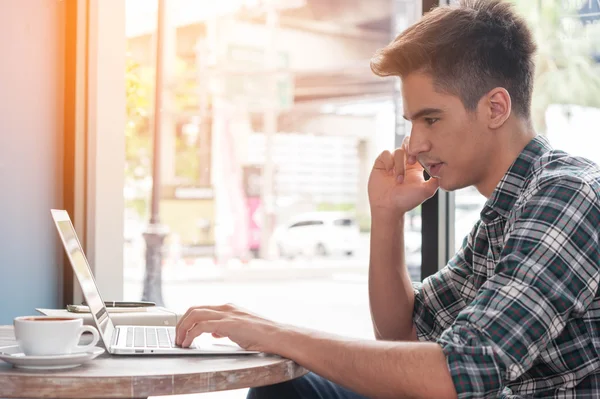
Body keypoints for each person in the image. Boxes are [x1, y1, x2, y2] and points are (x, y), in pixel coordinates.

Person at [175, 0, 600, 397]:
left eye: (431, 118)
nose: (413, 145)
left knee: (290, 372)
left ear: (495, 108)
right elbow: (403, 335)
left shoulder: (567, 195)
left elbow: (464, 368)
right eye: (411, 122)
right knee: (288, 388)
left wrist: (277, 334)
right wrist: (387, 213)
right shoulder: (505, 210)